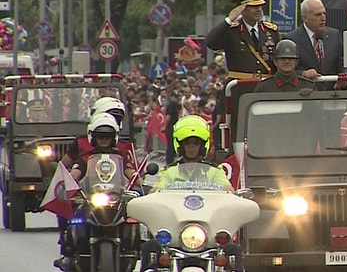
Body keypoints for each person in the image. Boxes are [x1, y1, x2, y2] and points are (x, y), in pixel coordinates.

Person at [141, 116, 238, 272]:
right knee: (150, 247)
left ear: (202, 146)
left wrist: (234, 196)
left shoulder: (214, 171)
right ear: (180, 145)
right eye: (187, 143)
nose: (191, 147)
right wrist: (150, 196)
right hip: (175, 234)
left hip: (208, 234)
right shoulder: (170, 172)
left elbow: (228, 190)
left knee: (233, 250)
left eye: (195, 143)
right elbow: (156, 191)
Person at [55, 113, 138, 270]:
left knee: (134, 218)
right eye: (100, 136)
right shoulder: (86, 157)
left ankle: (133, 247)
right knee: (75, 216)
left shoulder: (122, 156)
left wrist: (142, 182)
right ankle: (69, 249)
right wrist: (67, 182)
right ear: (93, 137)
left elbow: (131, 173)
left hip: (116, 198)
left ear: (114, 137)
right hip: (92, 199)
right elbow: (76, 173)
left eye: (107, 136)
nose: (104, 140)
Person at [205, 0, 280, 81]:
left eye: (260, 6)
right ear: (243, 10)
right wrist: (229, 20)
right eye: (254, 7)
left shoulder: (270, 31)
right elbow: (211, 42)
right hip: (241, 86)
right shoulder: (232, 31)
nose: (258, 10)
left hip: (265, 86)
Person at [283, 0, 344, 89]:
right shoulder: (291, 39)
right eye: (318, 14)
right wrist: (303, 73)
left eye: (324, 13)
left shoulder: (334, 35)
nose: (323, 18)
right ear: (305, 18)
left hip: (332, 95)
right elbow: (284, 70)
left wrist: (344, 77)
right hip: (306, 94)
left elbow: (341, 62)